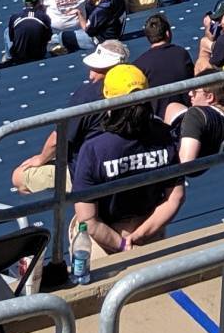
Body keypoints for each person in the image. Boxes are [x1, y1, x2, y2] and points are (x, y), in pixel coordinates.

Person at [67, 64, 183, 264]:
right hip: (149, 228)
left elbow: (88, 219)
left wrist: (122, 244)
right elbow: (175, 198)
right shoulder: (164, 134)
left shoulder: (94, 148)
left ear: (108, 103)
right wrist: (140, 236)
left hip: (104, 236)